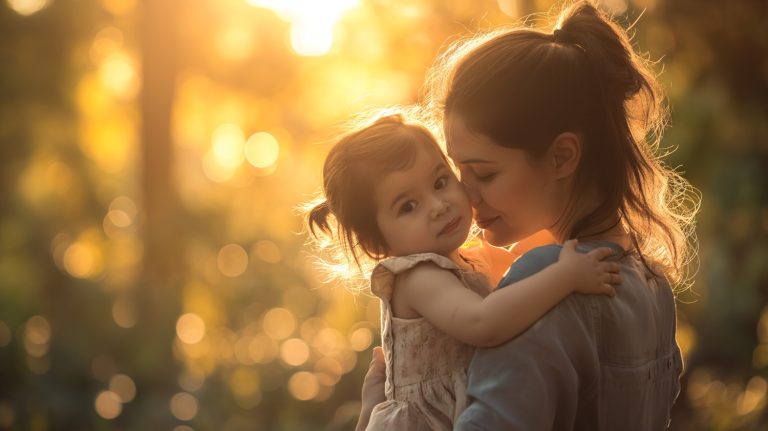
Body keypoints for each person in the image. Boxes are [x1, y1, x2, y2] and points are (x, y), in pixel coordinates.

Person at [356, 1, 698, 430]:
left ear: (561, 157)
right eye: (457, 171)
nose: (464, 193)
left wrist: (370, 417)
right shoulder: (652, 283)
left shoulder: (551, 279)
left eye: (484, 173)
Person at [306, 114, 623, 430]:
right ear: (376, 241)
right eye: (408, 206)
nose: (438, 206)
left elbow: (524, 259)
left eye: (440, 182)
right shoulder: (417, 278)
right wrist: (565, 276)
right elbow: (482, 322)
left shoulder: (465, 259)